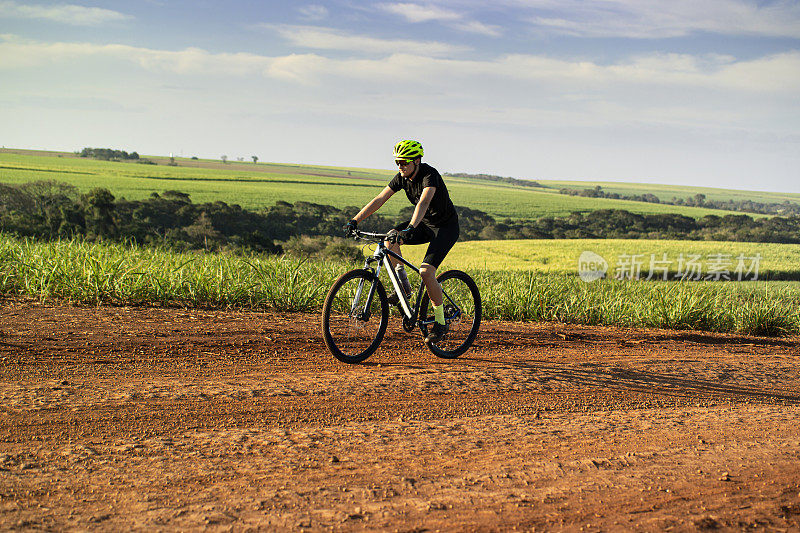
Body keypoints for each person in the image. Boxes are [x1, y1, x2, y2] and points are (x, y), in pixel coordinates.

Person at [344, 140, 459, 344]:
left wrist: (409, 229)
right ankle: (404, 289)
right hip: (423, 223)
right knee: (390, 239)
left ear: (416, 160)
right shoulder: (401, 178)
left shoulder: (429, 175)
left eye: (404, 162)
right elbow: (379, 199)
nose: (400, 166)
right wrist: (355, 220)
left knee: (426, 272)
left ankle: (441, 323)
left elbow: (423, 203)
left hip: (445, 228)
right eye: (397, 162)